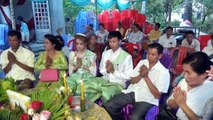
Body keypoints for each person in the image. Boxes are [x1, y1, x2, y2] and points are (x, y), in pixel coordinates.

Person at [105, 43, 170, 120]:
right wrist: (140, 75)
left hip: (148, 97)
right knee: (109, 105)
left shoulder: (164, 72)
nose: (149, 56)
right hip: (133, 91)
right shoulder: (142, 62)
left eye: (153, 54)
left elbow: (157, 95)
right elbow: (132, 81)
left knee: (134, 118)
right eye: (148, 53)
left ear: (159, 56)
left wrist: (146, 77)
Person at [67, 31, 133, 104]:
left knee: (107, 94)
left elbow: (129, 76)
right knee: (82, 88)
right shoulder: (106, 53)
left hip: (118, 83)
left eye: (114, 42)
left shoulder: (127, 57)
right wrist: (107, 71)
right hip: (104, 79)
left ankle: (104, 113)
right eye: (110, 41)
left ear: (120, 41)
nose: (111, 44)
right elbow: (101, 69)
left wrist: (113, 71)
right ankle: (85, 109)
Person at [167, 52, 213, 120]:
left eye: (188, 73)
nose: (185, 76)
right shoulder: (184, 82)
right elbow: (169, 103)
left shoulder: (210, 91)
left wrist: (183, 105)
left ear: (204, 74)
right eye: (184, 72)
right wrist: (176, 101)